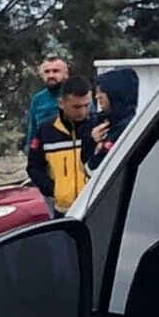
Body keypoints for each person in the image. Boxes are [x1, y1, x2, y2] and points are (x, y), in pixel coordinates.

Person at [25, 75, 96, 213]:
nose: (82, 112)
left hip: (95, 207)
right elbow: (34, 167)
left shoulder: (97, 127)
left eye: (87, 105)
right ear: (61, 103)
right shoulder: (46, 130)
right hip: (63, 211)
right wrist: (53, 189)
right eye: (76, 107)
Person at [90, 66, 141, 166]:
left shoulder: (124, 130)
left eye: (101, 91)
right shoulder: (105, 123)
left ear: (114, 94)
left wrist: (96, 145)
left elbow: (94, 167)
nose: (97, 96)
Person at [25, 53, 72, 145]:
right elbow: (32, 133)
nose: (51, 75)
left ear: (66, 74)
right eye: (47, 72)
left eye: (55, 71)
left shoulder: (78, 96)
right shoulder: (37, 99)